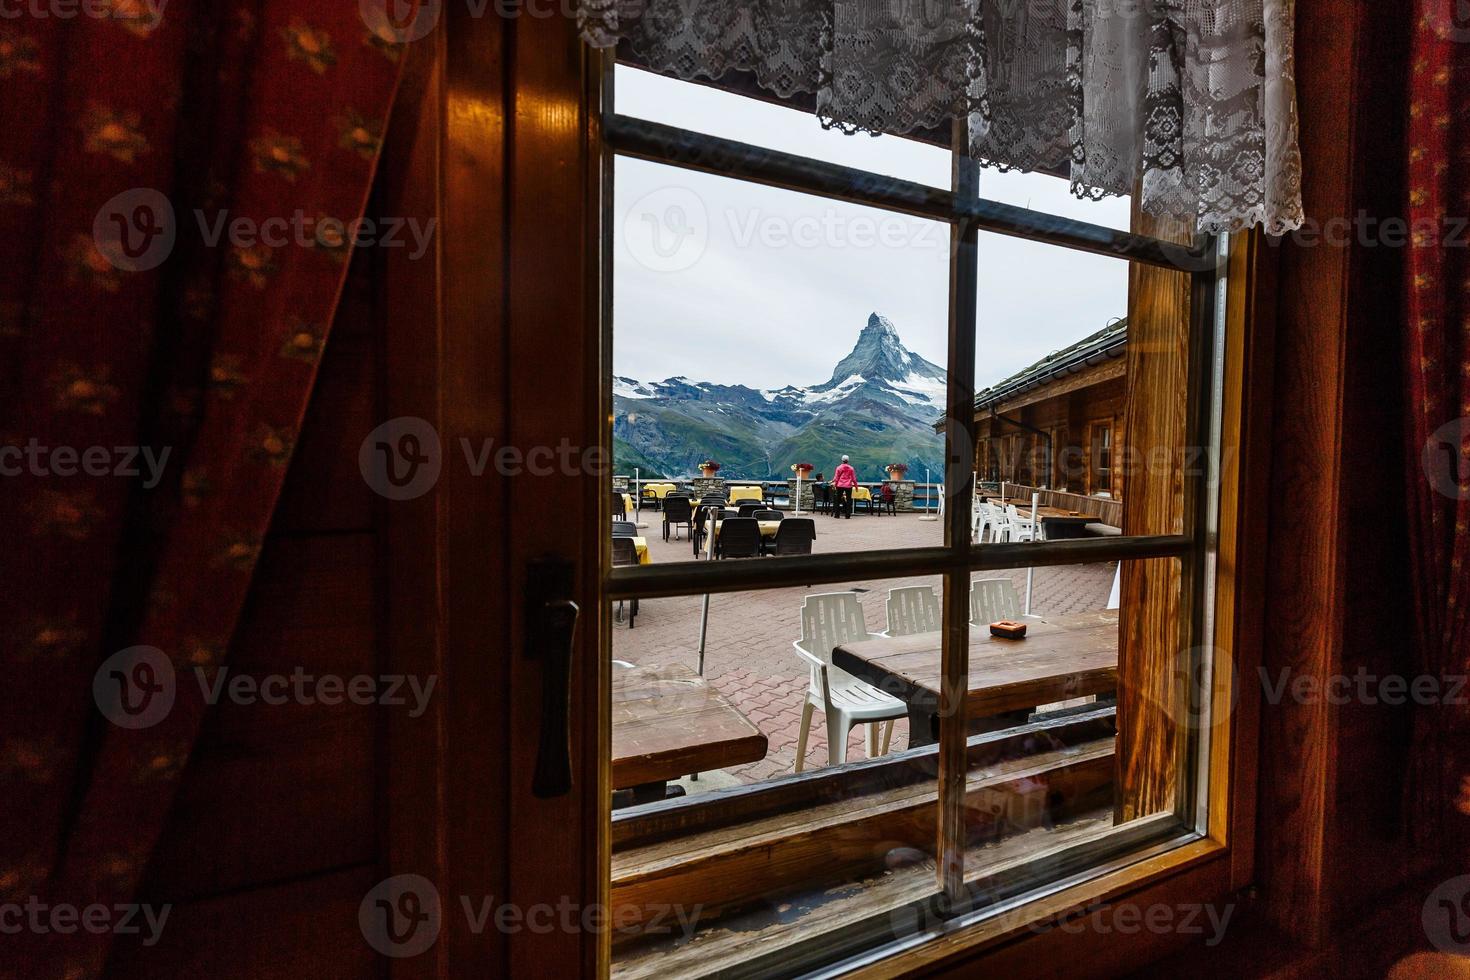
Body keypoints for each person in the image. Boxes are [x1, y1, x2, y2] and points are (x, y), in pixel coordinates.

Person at [832, 455, 857, 519]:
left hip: (840, 485)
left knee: (838, 500)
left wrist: (835, 484)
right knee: (849, 500)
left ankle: (837, 515)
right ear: (848, 460)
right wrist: (856, 486)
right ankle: (847, 515)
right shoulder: (851, 468)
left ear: (842, 460)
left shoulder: (838, 468)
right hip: (848, 485)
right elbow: (854, 478)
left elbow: (836, 478)